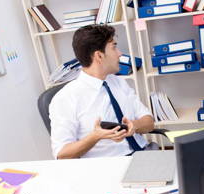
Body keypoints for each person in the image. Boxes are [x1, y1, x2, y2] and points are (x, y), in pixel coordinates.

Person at [49, 24, 154, 159]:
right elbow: (62, 154)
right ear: (99, 56)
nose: (120, 54)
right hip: (107, 166)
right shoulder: (66, 98)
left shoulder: (118, 82)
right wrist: (95, 136)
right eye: (114, 47)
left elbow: (149, 122)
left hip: (143, 154)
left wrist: (134, 125)